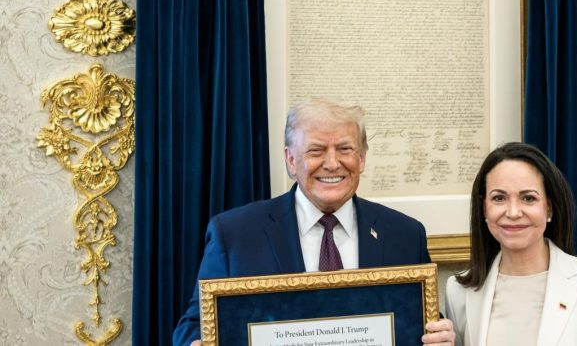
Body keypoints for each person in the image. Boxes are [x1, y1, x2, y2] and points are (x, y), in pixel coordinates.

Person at [173, 98, 455, 345]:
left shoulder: (405, 235)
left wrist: (441, 337)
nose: (332, 164)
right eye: (316, 151)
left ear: (362, 158)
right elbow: (195, 323)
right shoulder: (234, 235)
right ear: (291, 160)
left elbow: (420, 322)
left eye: (345, 149)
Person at [445, 142, 577, 346]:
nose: (513, 212)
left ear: (549, 208)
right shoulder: (458, 291)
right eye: (499, 198)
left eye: (528, 198)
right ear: (483, 208)